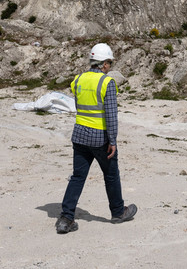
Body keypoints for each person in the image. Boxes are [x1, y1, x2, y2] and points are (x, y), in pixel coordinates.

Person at [56, 43, 137, 234]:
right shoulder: (107, 83)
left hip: (79, 135)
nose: (109, 66)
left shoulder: (78, 80)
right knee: (111, 175)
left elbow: (79, 106)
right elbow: (111, 115)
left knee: (77, 177)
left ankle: (66, 218)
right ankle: (118, 212)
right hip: (100, 139)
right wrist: (113, 141)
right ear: (104, 64)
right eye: (109, 62)